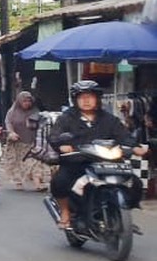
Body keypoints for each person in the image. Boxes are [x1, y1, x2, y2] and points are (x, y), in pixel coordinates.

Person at [50, 80, 148, 227]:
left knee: (135, 183)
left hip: (107, 161)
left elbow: (124, 135)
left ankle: (121, 212)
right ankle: (65, 212)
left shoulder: (109, 119)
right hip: (78, 161)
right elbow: (55, 135)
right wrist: (62, 145)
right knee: (60, 182)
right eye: (82, 97)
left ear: (97, 99)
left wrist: (135, 147)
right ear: (75, 100)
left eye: (90, 97)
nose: (86, 101)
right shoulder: (66, 118)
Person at [2, 91, 48, 191]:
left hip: (33, 142)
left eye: (29, 101)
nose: (27, 103)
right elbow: (8, 123)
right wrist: (11, 133)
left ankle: (37, 183)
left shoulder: (35, 111)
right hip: (18, 143)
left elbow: (42, 123)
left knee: (35, 162)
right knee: (17, 164)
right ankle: (18, 182)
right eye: (24, 101)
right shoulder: (12, 112)